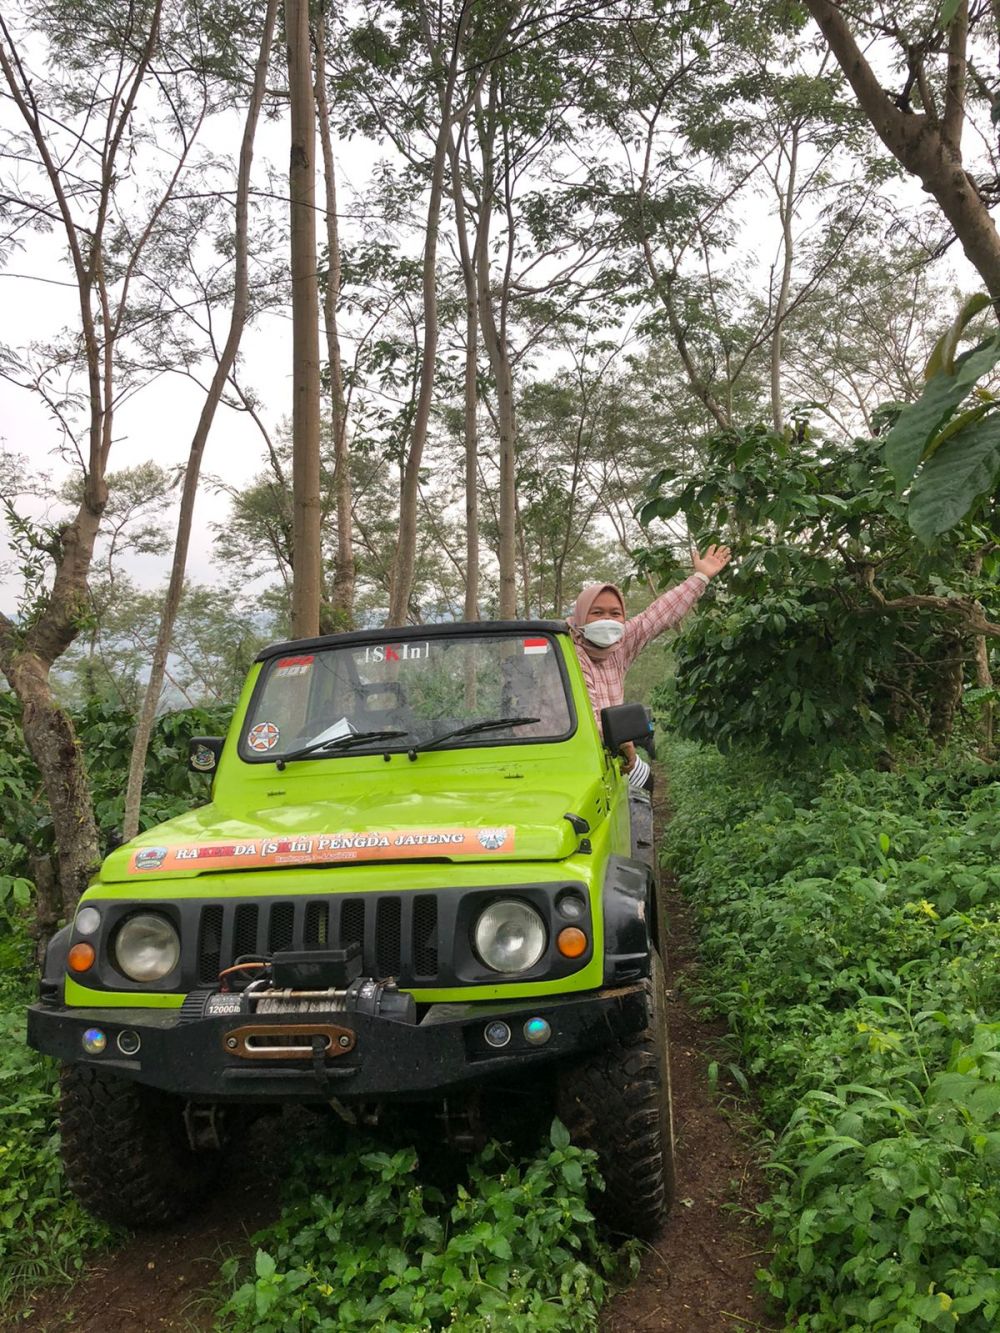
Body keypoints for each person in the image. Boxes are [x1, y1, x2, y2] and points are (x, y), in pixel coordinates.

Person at [567, 545, 731, 789]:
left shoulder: (619, 644)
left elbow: (657, 616)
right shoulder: (568, 653)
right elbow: (586, 715)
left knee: (646, 783)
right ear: (580, 616)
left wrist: (701, 577)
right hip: (573, 754)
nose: (607, 620)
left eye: (615, 613)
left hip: (611, 748)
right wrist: (625, 744)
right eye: (597, 612)